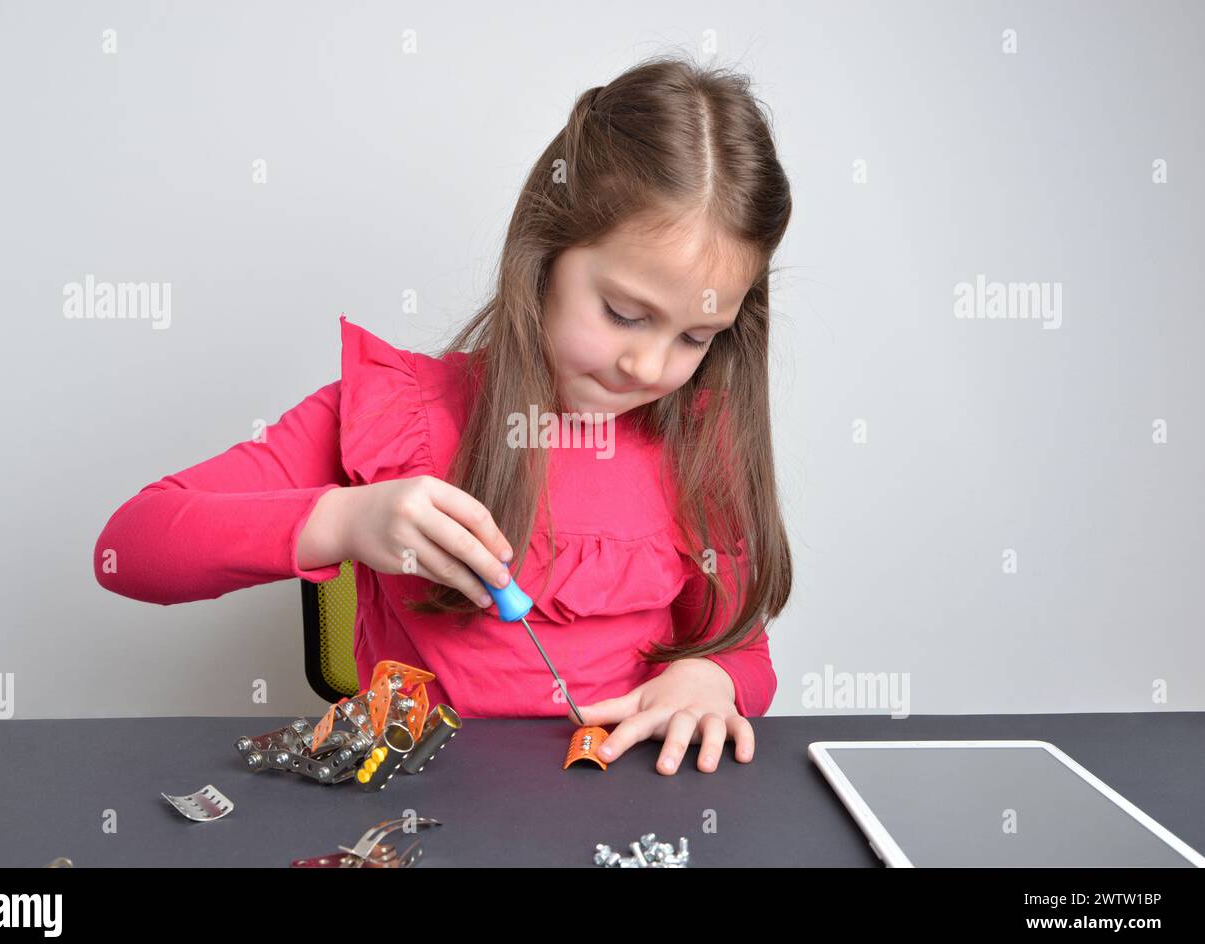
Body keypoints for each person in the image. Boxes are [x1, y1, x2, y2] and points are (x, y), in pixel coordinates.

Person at [94, 54, 794, 775]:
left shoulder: (699, 444)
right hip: (421, 809)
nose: (648, 367)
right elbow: (130, 547)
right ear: (544, 252)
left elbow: (742, 649)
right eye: (622, 313)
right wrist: (342, 520)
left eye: (693, 337)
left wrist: (716, 678)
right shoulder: (394, 414)